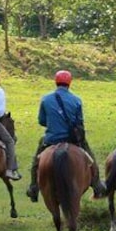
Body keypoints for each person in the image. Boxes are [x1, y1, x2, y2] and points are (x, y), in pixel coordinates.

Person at [26, 70, 106, 202]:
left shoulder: (46, 99)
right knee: (90, 157)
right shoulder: (76, 100)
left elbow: (41, 120)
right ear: (70, 83)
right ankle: (97, 184)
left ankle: (34, 187)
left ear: (56, 82)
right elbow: (79, 122)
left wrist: (53, 123)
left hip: (51, 139)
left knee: (37, 160)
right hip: (72, 139)